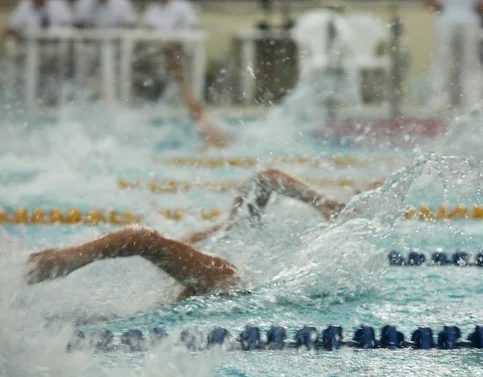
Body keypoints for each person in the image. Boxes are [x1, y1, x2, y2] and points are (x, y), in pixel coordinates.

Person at [26, 168, 365, 304]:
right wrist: (323, 201)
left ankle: (65, 260)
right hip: (229, 279)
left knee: (145, 240)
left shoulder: (228, 256)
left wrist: (68, 258)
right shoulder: (230, 230)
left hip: (238, 284)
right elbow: (264, 178)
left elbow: (147, 242)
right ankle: (66, 260)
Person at [165, 48, 229, 149]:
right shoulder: (205, 123)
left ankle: (180, 75)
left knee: (200, 117)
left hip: (218, 143)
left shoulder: (207, 127)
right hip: (218, 142)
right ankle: (180, 76)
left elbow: (194, 106)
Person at [424, 0, 481, 110]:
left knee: (470, 62)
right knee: (441, 62)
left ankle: (472, 99)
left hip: (467, 19)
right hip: (447, 19)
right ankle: (437, 100)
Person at [4, 0, 72, 38]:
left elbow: (69, 25)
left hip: (56, 46)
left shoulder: (59, 4)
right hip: (29, 47)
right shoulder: (23, 6)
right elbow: (10, 29)